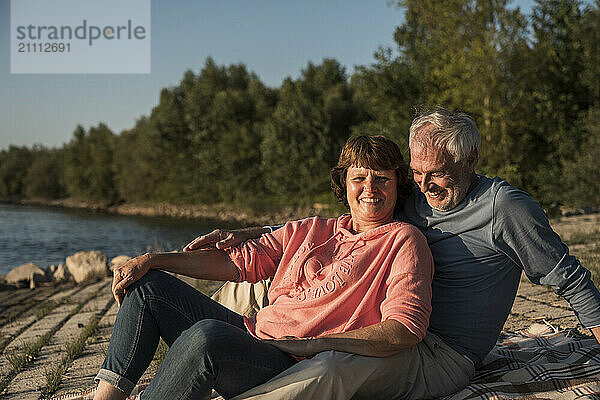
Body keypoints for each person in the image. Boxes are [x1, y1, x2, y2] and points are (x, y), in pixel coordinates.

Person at [188, 109, 600, 399]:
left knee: (330, 368)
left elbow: (572, 280)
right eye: (417, 172)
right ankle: (198, 362)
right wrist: (250, 234)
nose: (425, 184)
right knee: (246, 289)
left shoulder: (505, 209)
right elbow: (343, 222)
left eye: (437, 172)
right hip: (381, 325)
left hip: (438, 351)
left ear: (471, 159)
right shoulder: (414, 198)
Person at [93, 135, 437, 400]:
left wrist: (319, 344)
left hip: (290, 362)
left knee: (206, 338)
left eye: (382, 179)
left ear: (398, 184)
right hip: (250, 333)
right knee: (149, 287)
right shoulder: (311, 229)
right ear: (343, 183)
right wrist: (154, 260)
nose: (369, 189)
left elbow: (405, 328)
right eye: (359, 178)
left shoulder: (403, 240)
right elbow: (233, 262)